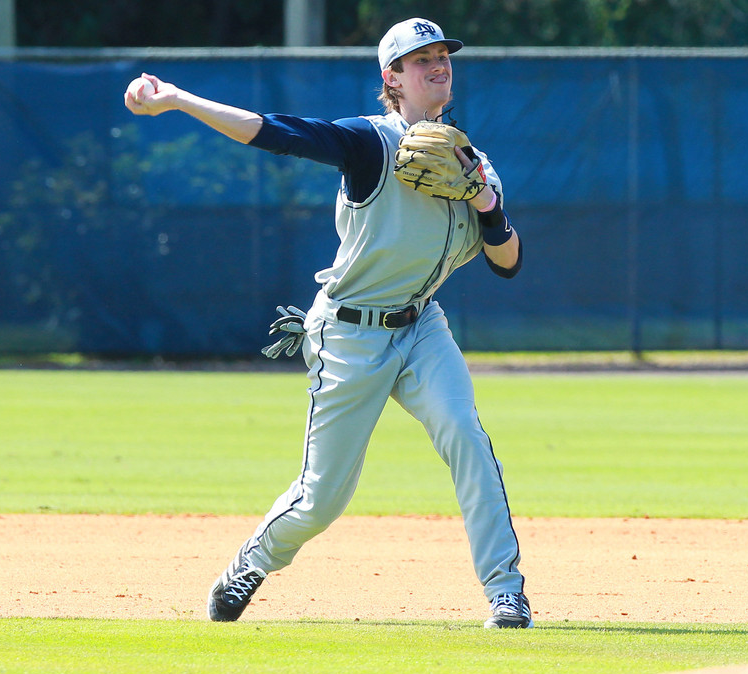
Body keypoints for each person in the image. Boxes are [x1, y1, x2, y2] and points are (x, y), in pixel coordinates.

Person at [124, 17, 531, 629]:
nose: (438, 65)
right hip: (349, 335)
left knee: (466, 437)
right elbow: (275, 132)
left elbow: (509, 262)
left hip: (422, 327)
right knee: (323, 497)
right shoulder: (369, 143)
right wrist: (180, 99)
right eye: (421, 59)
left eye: (443, 55)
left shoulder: (474, 164)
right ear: (392, 77)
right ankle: (251, 563)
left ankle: (506, 592)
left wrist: (485, 201)